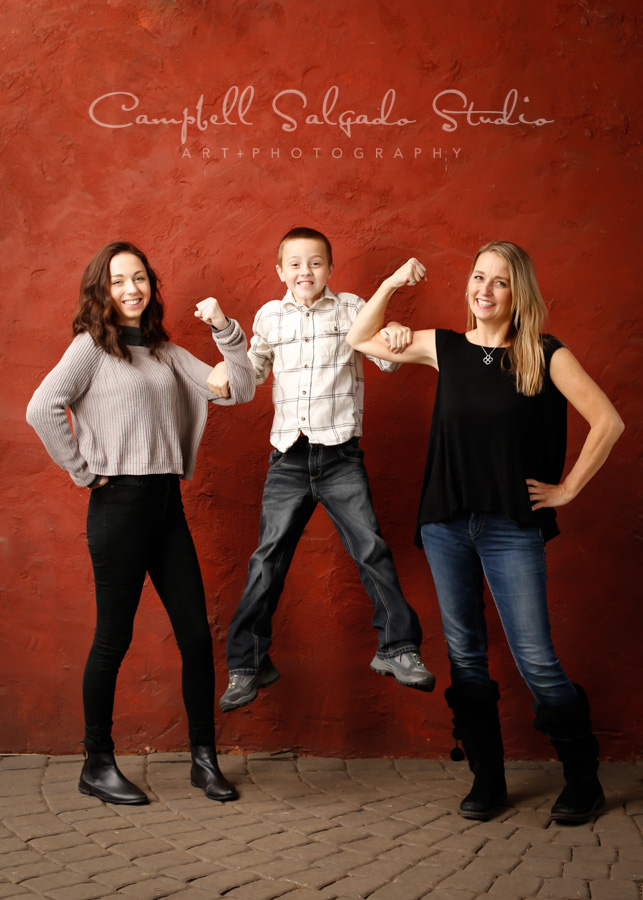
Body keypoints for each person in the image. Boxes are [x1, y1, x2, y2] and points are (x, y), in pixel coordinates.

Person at [346, 243, 624, 824]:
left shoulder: (544, 355)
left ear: (517, 293)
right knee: (466, 655)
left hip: (509, 527)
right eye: (478, 277)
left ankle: (583, 779)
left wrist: (567, 489)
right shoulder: (445, 346)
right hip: (446, 522)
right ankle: (487, 780)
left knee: (535, 659)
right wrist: (394, 286)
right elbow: (358, 338)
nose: (485, 290)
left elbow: (608, 420)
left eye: (499, 282)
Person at [26, 241, 255, 805]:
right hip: (119, 507)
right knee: (114, 637)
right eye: (119, 280)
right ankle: (97, 762)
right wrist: (85, 473)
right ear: (101, 290)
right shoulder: (89, 349)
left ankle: (204, 760)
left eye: (140, 279)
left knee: (197, 638)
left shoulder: (164, 352)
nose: (131, 289)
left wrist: (226, 330)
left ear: (151, 286)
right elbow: (41, 407)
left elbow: (239, 389)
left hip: (165, 506)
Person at [209, 226, 435, 713]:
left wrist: (394, 333)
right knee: (265, 560)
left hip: (339, 458)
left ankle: (397, 648)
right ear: (279, 271)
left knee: (371, 548)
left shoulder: (353, 308)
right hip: (287, 459)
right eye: (294, 264)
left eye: (315, 263)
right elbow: (252, 372)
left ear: (330, 269)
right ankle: (247, 665)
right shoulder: (269, 316)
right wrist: (227, 371)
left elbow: (388, 362)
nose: (304, 272)